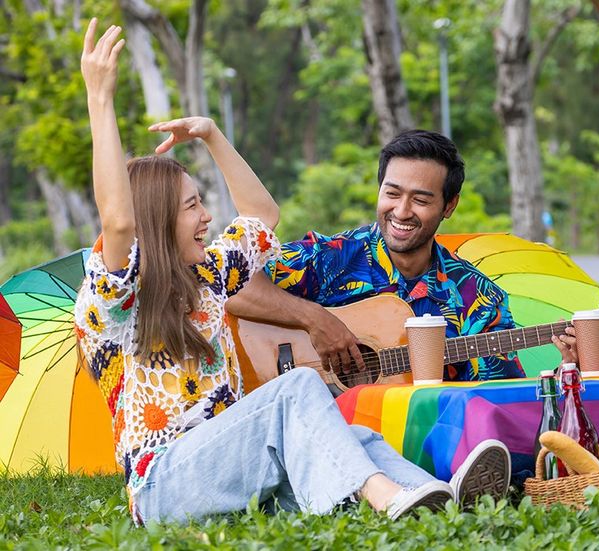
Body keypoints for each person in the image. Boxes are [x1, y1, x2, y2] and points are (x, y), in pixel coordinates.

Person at [74, 20, 508, 525]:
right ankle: (386, 496)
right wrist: (99, 98)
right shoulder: (114, 302)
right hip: (164, 485)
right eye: (193, 207)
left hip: (233, 468)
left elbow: (263, 213)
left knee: (353, 431)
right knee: (300, 386)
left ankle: (436, 494)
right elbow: (119, 220)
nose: (208, 218)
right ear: (157, 221)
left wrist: (213, 135)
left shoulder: (208, 279)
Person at [227, 130, 577, 380]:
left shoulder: (477, 298)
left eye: (421, 200)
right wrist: (315, 319)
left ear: (449, 206)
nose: (402, 211)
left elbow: (500, 399)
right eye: (392, 193)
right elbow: (229, 285)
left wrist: (567, 372)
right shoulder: (335, 257)